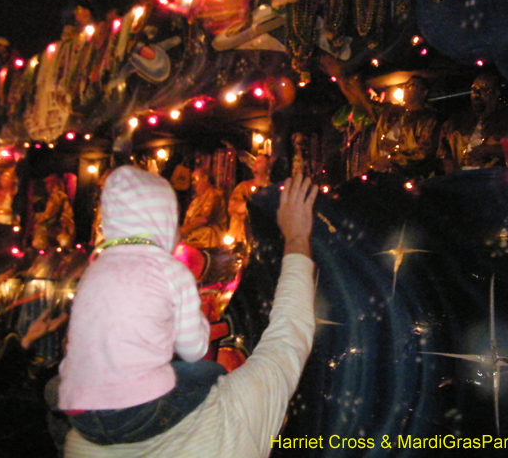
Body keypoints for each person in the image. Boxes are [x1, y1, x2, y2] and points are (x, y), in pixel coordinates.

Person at [64, 173, 318, 458]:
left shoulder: (79, 445)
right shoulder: (232, 414)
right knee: (205, 372)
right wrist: (297, 238)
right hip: (171, 412)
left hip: (88, 409)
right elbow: (288, 338)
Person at [58, 165, 221, 446]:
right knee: (212, 374)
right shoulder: (171, 270)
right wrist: (201, 320)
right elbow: (194, 350)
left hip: (80, 413)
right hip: (134, 413)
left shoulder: (94, 269)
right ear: (166, 218)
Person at [438, 69, 508, 172]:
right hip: (461, 179)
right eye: (474, 89)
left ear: (496, 93)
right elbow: (443, 152)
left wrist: (491, 150)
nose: (477, 93)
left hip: (493, 178)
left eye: (484, 89)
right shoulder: (455, 123)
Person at [227, 153, 272, 245]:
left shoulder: (272, 189)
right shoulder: (243, 187)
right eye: (255, 162)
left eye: (259, 162)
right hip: (240, 238)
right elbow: (233, 206)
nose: (255, 164)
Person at [179, 168, 228, 248]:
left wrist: (185, 229)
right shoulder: (196, 200)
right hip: (192, 238)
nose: (193, 183)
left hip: (208, 241)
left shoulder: (214, 194)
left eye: (195, 179)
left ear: (205, 178)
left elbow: (205, 218)